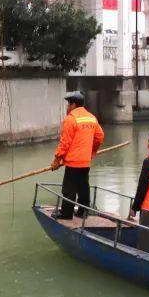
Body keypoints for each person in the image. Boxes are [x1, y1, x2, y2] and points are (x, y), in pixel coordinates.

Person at [52, 91, 105, 219]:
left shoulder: (71, 119)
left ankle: (66, 214)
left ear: (74, 104)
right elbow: (100, 137)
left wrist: (56, 159)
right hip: (85, 162)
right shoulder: (92, 118)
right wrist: (91, 153)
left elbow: (64, 143)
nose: (67, 107)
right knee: (83, 187)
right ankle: (83, 212)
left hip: (73, 162)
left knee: (69, 190)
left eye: (68, 104)